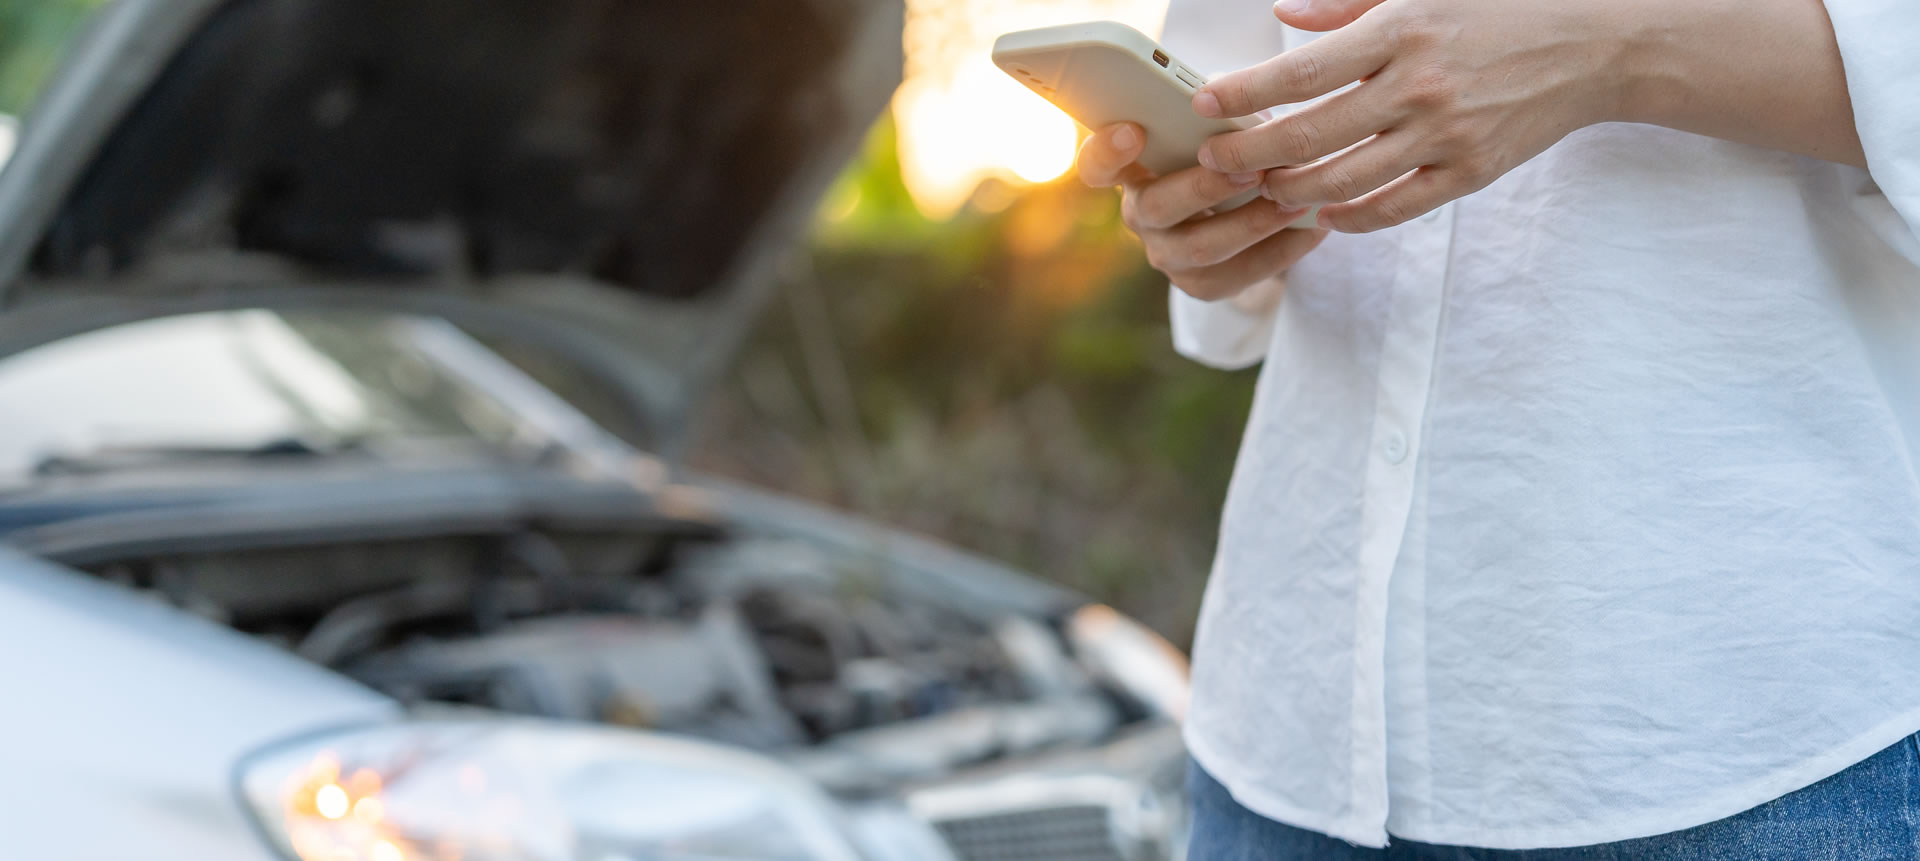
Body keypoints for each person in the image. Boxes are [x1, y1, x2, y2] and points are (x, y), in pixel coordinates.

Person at [1074, 0, 1920, 857]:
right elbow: (1233, 87)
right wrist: (1205, 203)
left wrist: (1607, 48)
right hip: (1287, 727)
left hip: (1744, 742)